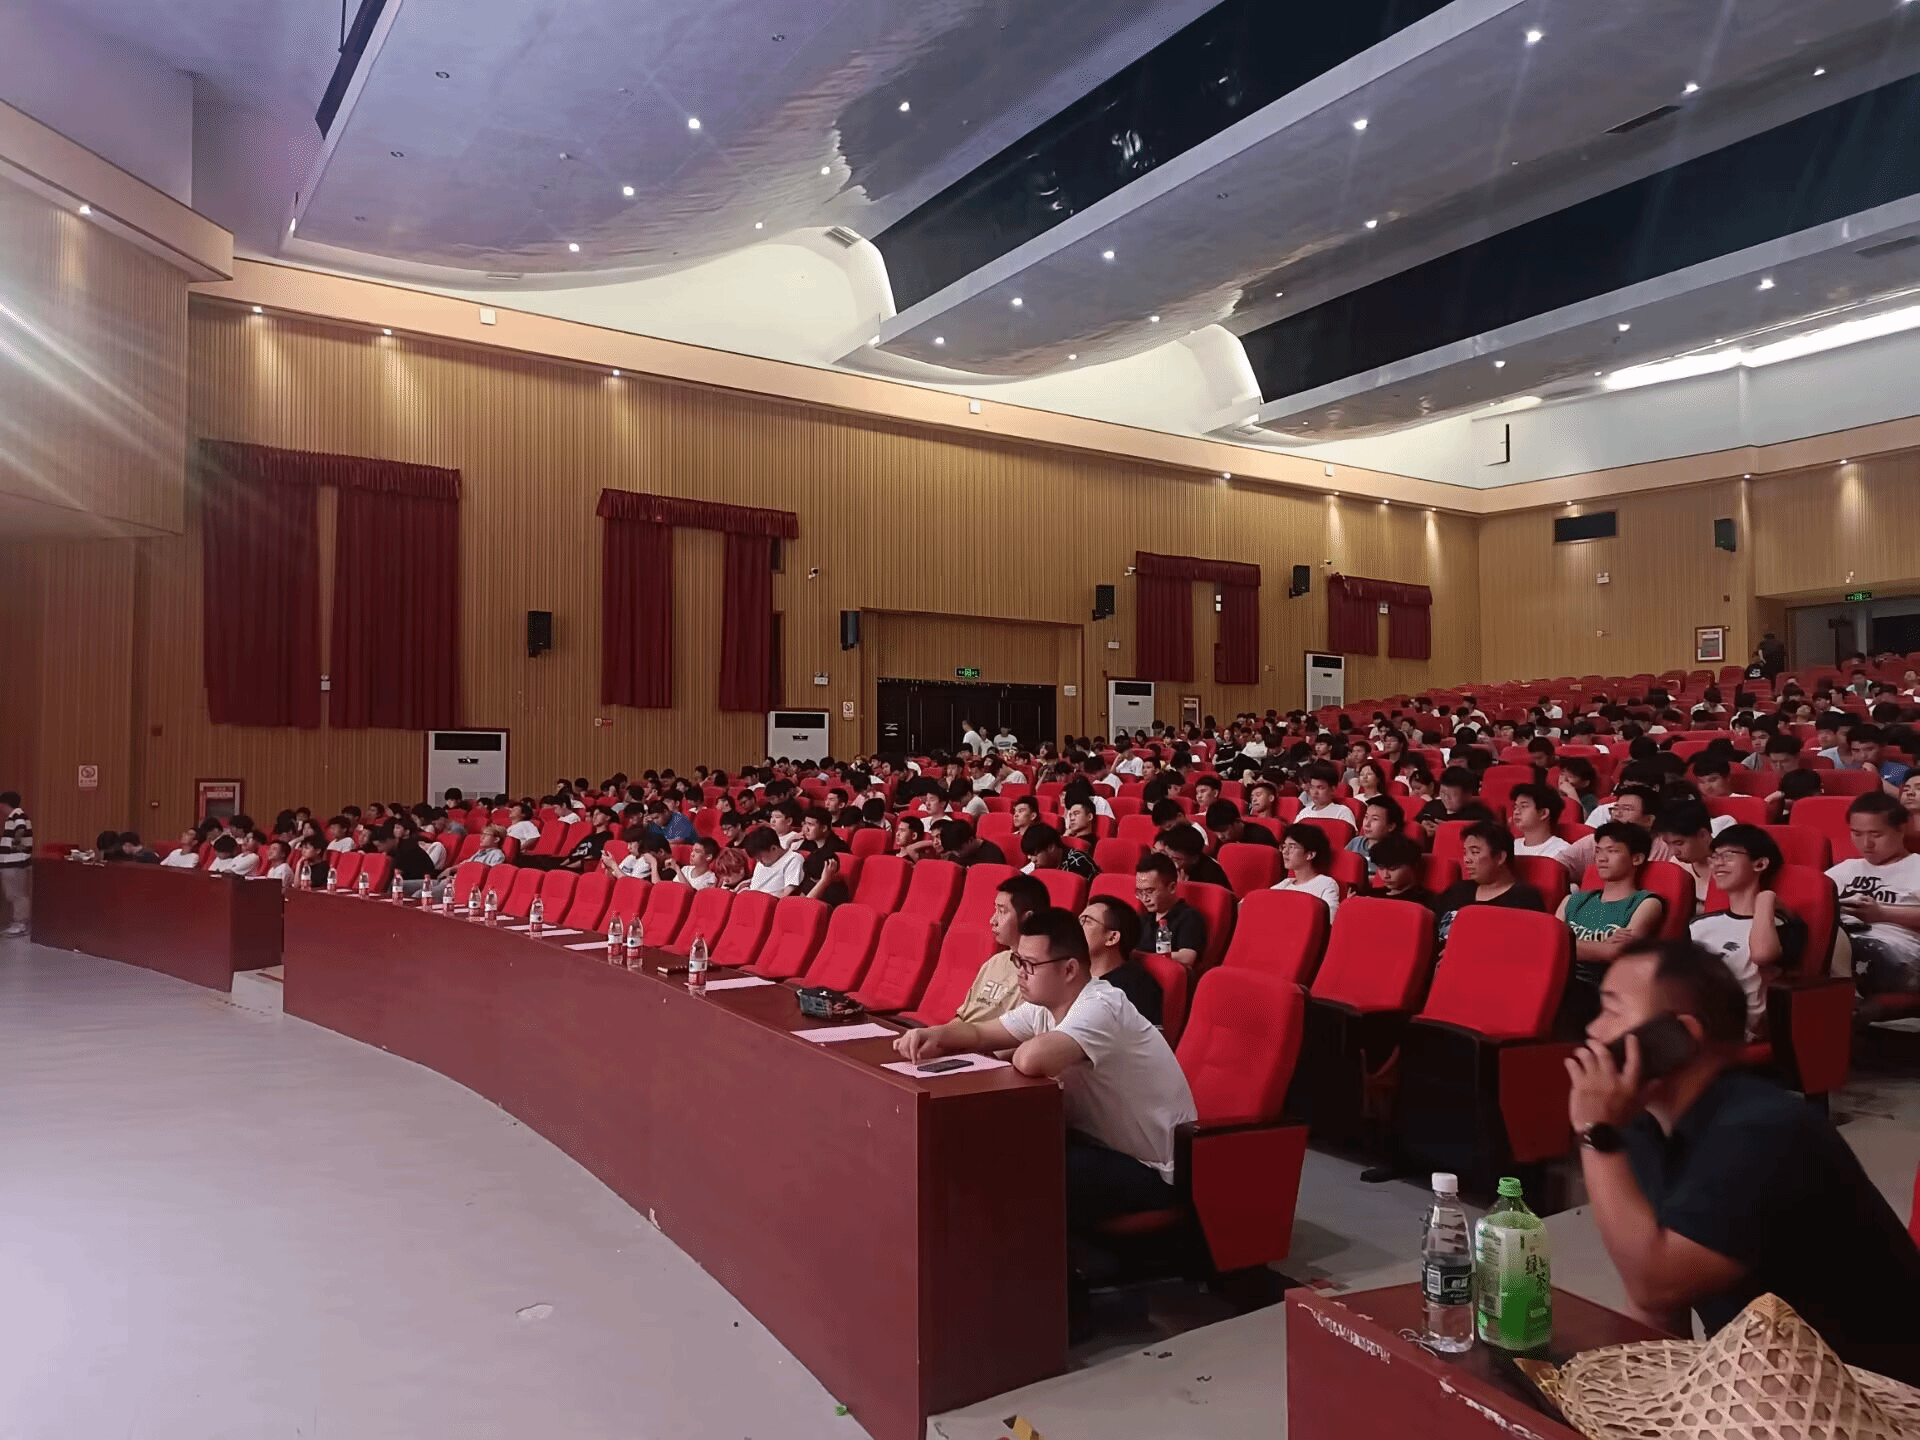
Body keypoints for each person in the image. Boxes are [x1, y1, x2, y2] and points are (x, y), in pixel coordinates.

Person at [1566, 937, 1920, 1383]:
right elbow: (1654, 1309)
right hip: (1761, 1387)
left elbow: (1656, 1285)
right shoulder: (1644, 1127)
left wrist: (1596, 1134)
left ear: (1679, 1035)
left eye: (1613, 1010)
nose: (1595, 1031)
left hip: (1877, 1396)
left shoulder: (1763, 1131)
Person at [892, 908, 1197, 1240]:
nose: (1020, 974)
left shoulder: (1101, 1006)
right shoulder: (1044, 1006)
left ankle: (1030, 1268)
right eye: (1018, 962)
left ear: (1069, 969)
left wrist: (1013, 1048)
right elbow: (980, 1033)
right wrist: (935, 1035)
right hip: (1097, 1146)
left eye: (1030, 965)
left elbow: (1031, 1059)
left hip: (1151, 1170)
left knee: (1019, 1162)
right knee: (998, 1145)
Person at [1688, 825, 1805, 1041]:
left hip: (1732, 1027)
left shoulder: (1780, 925)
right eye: (1714, 857)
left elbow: (1762, 955)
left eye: (1728, 856)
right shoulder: (1700, 924)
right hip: (1688, 1016)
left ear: (1760, 864)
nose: (1717, 864)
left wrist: (1766, 899)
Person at [1559, 822, 1667, 1034]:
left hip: (1597, 991)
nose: (1601, 858)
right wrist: (1599, 946)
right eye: (1598, 851)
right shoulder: (1572, 901)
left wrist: (1565, 946)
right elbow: (1545, 948)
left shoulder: (1646, 903)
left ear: (1637, 858)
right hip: (1558, 981)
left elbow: (1615, 952)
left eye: (1612, 851)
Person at [1827, 791, 1920, 1023]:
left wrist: (1882, 913)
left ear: (1901, 829)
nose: (1866, 844)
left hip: (1894, 953)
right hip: (1842, 939)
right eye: (1856, 834)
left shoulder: (1917, 867)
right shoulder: (1847, 868)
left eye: (1876, 834)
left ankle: (1844, 1005)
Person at [1431, 822, 1545, 950]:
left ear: (1500, 857)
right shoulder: (1457, 890)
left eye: (1475, 852)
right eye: (1465, 853)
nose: (1467, 859)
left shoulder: (1525, 899)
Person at [954, 874, 1051, 1024]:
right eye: (995, 910)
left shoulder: (1041, 977)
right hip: (961, 1035)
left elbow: (1018, 1034)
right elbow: (962, 1017)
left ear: (1028, 918)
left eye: (1002, 911)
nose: (992, 921)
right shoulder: (995, 961)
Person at [1078, 896, 1161, 1025]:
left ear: (1112, 938)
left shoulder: (1136, 989)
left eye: (1087, 921)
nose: (1075, 928)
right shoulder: (1071, 973)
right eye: (1078, 921)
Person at [1134, 854, 1205, 969]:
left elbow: (1188, 957)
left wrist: (1145, 957)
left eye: (1150, 891)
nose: (1145, 898)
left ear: (1171, 888)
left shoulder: (1189, 917)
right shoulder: (1143, 918)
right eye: (1140, 892)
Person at [1274, 823, 1341, 920]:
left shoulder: (1325, 883)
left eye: (1292, 847)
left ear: (1310, 854)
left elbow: (1329, 920)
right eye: (1284, 846)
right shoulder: (1284, 884)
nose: (1284, 852)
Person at [1509, 783, 1571, 863]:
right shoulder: (1510, 847)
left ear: (1543, 813)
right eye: (1515, 807)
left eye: (1524, 806)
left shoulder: (1562, 851)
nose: (1516, 812)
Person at [1156, 823, 1229, 890]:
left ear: (1194, 858)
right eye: (1169, 856)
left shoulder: (1211, 877)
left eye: (1177, 859)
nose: (1173, 864)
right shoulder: (1168, 865)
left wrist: (1182, 887)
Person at [1367, 833, 1433, 907]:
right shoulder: (1371, 896)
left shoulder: (1426, 902)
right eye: (1381, 868)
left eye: (1393, 868)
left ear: (1414, 865)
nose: (1385, 875)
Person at [1021, 821, 1098, 882]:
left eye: (1035, 854)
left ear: (1051, 847)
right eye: (1030, 855)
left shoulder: (1079, 863)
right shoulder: (1039, 865)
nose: (1033, 860)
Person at [1346, 795, 1403, 876]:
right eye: (1366, 817)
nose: (1367, 824)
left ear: (1391, 826)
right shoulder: (1355, 842)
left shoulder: (1395, 851)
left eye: (1375, 819)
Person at [739, 825, 805, 895]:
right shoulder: (762, 861)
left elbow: (786, 893)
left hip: (769, 900)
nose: (759, 861)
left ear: (774, 848)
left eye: (760, 858)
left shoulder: (793, 860)